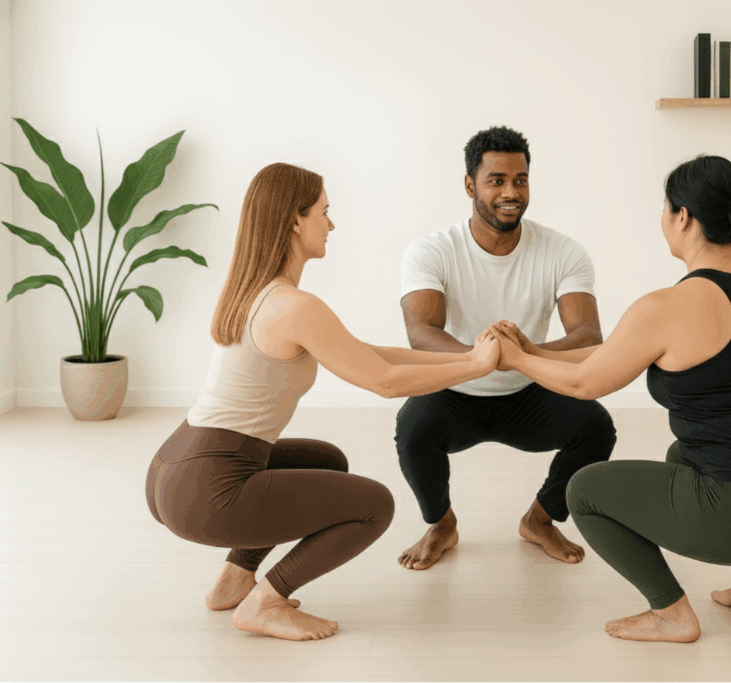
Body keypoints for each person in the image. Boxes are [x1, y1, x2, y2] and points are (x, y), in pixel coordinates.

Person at [488, 154, 731, 642]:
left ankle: (671, 613)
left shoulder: (666, 305)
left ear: (682, 217)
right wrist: (531, 349)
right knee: (685, 455)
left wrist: (514, 360)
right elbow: (613, 355)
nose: (662, 219)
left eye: (664, 208)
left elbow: (584, 384)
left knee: (585, 490)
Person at [145, 163, 500, 642]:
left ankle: (235, 578)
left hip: (173, 469)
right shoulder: (295, 307)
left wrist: (468, 356)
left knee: (326, 461)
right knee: (374, 505)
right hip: (207, 491)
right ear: (296, 220)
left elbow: (369, 354)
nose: (331, 224)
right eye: (325, 212)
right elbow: (386, 382)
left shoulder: (254, 293)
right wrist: (476, 368)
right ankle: (265, 603)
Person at [394, 126, 617, 570]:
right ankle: (441, 524)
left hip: (528, 385)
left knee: (596, 427)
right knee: (413, 430)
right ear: (469, 185)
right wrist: (477, 360)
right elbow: (421, 332)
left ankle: (539, 520)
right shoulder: (432, 251)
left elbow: (589, 337)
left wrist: (527, 353)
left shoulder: (563, 251)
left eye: (520, 179)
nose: (510, 192)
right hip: (457, 383)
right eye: (496, 180)